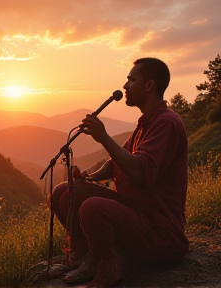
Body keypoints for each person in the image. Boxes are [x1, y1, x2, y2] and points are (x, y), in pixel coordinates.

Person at [52, 57, 189, 288]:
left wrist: (104, 137)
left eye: (131, 79)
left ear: (149, 85)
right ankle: (89, 256)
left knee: (93, 207)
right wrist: (90, 176)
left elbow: (141, 172)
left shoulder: (166, 123)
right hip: (136, 214)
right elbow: (117, 162)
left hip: (159, 232)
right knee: (64, 191)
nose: (125, 86)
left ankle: (109, 267)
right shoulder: (146, 123)